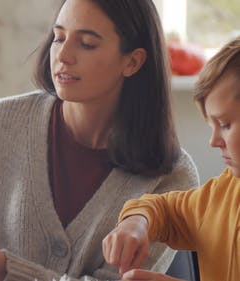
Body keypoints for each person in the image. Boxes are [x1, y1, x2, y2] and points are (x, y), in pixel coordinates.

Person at [0, 1, 199, 280]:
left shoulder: (173, 178)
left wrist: (3, 269)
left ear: (133, 61)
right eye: (59, 37)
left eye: (87, 43)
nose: (63, 55)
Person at [102, 37, 240, 281]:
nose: (214, 141)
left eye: (225, 124)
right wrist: (137, 221)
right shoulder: (224, 193)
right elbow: (166, 209)